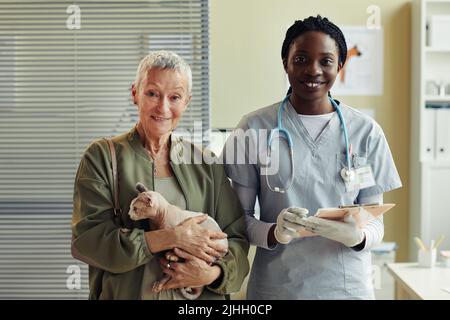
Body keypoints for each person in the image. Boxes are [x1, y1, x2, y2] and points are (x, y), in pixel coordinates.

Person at [223, 15, 402, 299]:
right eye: (302, 59)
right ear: (286, 62)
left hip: (346, 289)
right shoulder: (253, 128)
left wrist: (358, 236)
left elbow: (375, 220)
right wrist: (274, 232)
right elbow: (237, 221)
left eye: (326, 61)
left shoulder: (365, 132)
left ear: (340, 66)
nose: (313, 70)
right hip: (277, 289)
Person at [71, 51, 249, 300]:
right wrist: (173, 237)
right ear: (135, 93)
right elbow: (88, 241)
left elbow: (237, 240)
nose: (163, 107)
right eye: (152, 93)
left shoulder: (206, 163)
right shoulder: (101, 156)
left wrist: (211, 274)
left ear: (187, 101)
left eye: (174, 97)